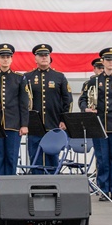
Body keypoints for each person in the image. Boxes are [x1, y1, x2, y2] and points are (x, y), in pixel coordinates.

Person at [79, 47, 112, 201]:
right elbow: (82, 99)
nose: (110, 63)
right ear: (102, 61)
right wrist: (85, 108)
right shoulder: (93, 81)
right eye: (108, 60)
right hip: (99, 125)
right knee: (102, 159)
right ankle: (103, 189)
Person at [24, 44, 72, 174]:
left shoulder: (59, 77)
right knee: (35, 157)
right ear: (35, 58)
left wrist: (64, 120)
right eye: (41, 55)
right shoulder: (27, 77)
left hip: (54, 122)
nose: (44, 57)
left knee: (52, 157)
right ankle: (37, 186)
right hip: (34, 125)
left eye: (46, 55)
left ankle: (52, 185)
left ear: (50, 57)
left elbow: (68, 100)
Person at [0, 43, 30, 178]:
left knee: (11, 157)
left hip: (13, 124)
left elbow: (24, 103)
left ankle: (10, 187)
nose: (5, 59)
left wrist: (24, 125)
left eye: (8, 57)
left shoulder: (19, 78)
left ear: (11, 59)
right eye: (2, 57)